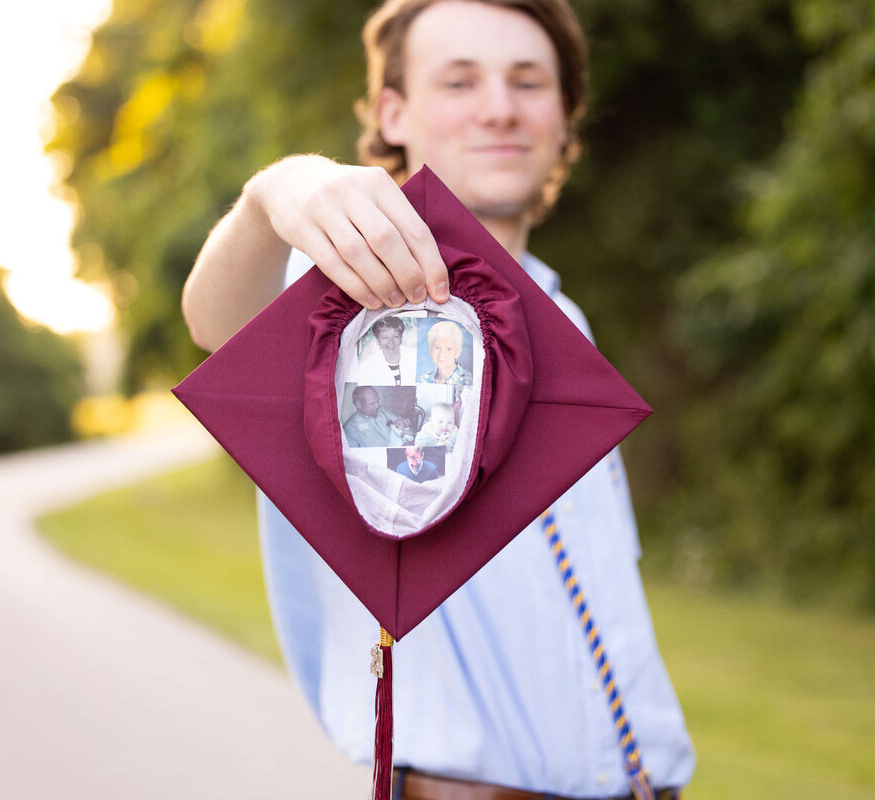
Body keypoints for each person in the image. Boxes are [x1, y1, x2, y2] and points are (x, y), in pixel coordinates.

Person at [181, 0, 695, 797]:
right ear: (394, 111)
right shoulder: (358, 303)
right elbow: (218, 322)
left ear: (565, 117)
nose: (499, 107)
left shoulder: (566, 321)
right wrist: (280, 194)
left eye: (529, 82)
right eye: (460, 81)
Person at [343, 385, 412, 448]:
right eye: (372, 403)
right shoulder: (350, 430)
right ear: (359, 405)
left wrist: (405, 426)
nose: (377, 406)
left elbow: (401, 421)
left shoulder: (383, 411)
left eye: (377, 401)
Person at [356, 315, 417, 385]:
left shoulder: (414, 355)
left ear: (401, 337)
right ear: (377, 340)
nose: (391, 342)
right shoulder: (367, 366)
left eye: (395, 336)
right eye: (385, 337)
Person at [418, 319, 472, 385]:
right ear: (430, 350)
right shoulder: (424, 380)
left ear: (457, 352)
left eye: (448, 349)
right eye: (437, 347)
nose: (441, 354)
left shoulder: (468, 380)